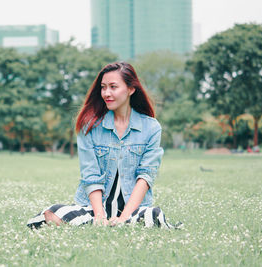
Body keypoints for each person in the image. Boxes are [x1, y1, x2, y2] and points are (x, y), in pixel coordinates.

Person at [27, 62, 180, 229]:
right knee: (51, 213)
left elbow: (146, 177)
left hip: (132, 208)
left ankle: (119, 223)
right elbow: (90, 174)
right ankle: (101, 223)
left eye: (113, 87)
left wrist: (124, 217)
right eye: (103, 87)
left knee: (154, 215)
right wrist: (99, 216)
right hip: (94, 207)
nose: (106, 93)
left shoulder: (151, 127)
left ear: (130, 89)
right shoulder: (89, 126)